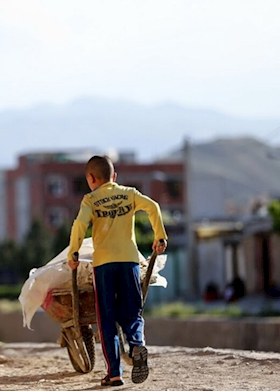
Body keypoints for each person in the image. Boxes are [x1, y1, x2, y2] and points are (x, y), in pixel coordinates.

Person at [68, 155, 167, 386]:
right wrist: (160, 236)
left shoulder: (90, 200)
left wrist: (74, 253)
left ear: (91, 178)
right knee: (133, 312)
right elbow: (153, 206)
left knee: (107, 319)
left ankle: (114, 373)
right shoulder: (129, 193)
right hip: (129, 261)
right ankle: (136, 344)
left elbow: (79, 225)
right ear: (114, 177)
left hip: (103, 265)